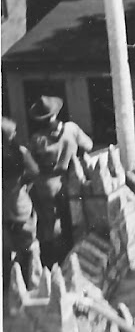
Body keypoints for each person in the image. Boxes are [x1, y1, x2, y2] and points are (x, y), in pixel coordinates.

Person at [27, 96, 92, 264]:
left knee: (47, 226)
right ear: (56, 112)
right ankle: (69, 260)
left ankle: (49, 263)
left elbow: (31, 164)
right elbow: (89, 145)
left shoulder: (37, 138)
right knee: (68, 221)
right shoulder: (71, 129)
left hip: (44, 185)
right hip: (65, 182)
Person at [3, 116, 40, 279]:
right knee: (26, 244)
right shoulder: (20, 152)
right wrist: (23, 184)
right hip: (19, 202)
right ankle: (29, 277)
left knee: (6, 246)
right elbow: (34, 171)